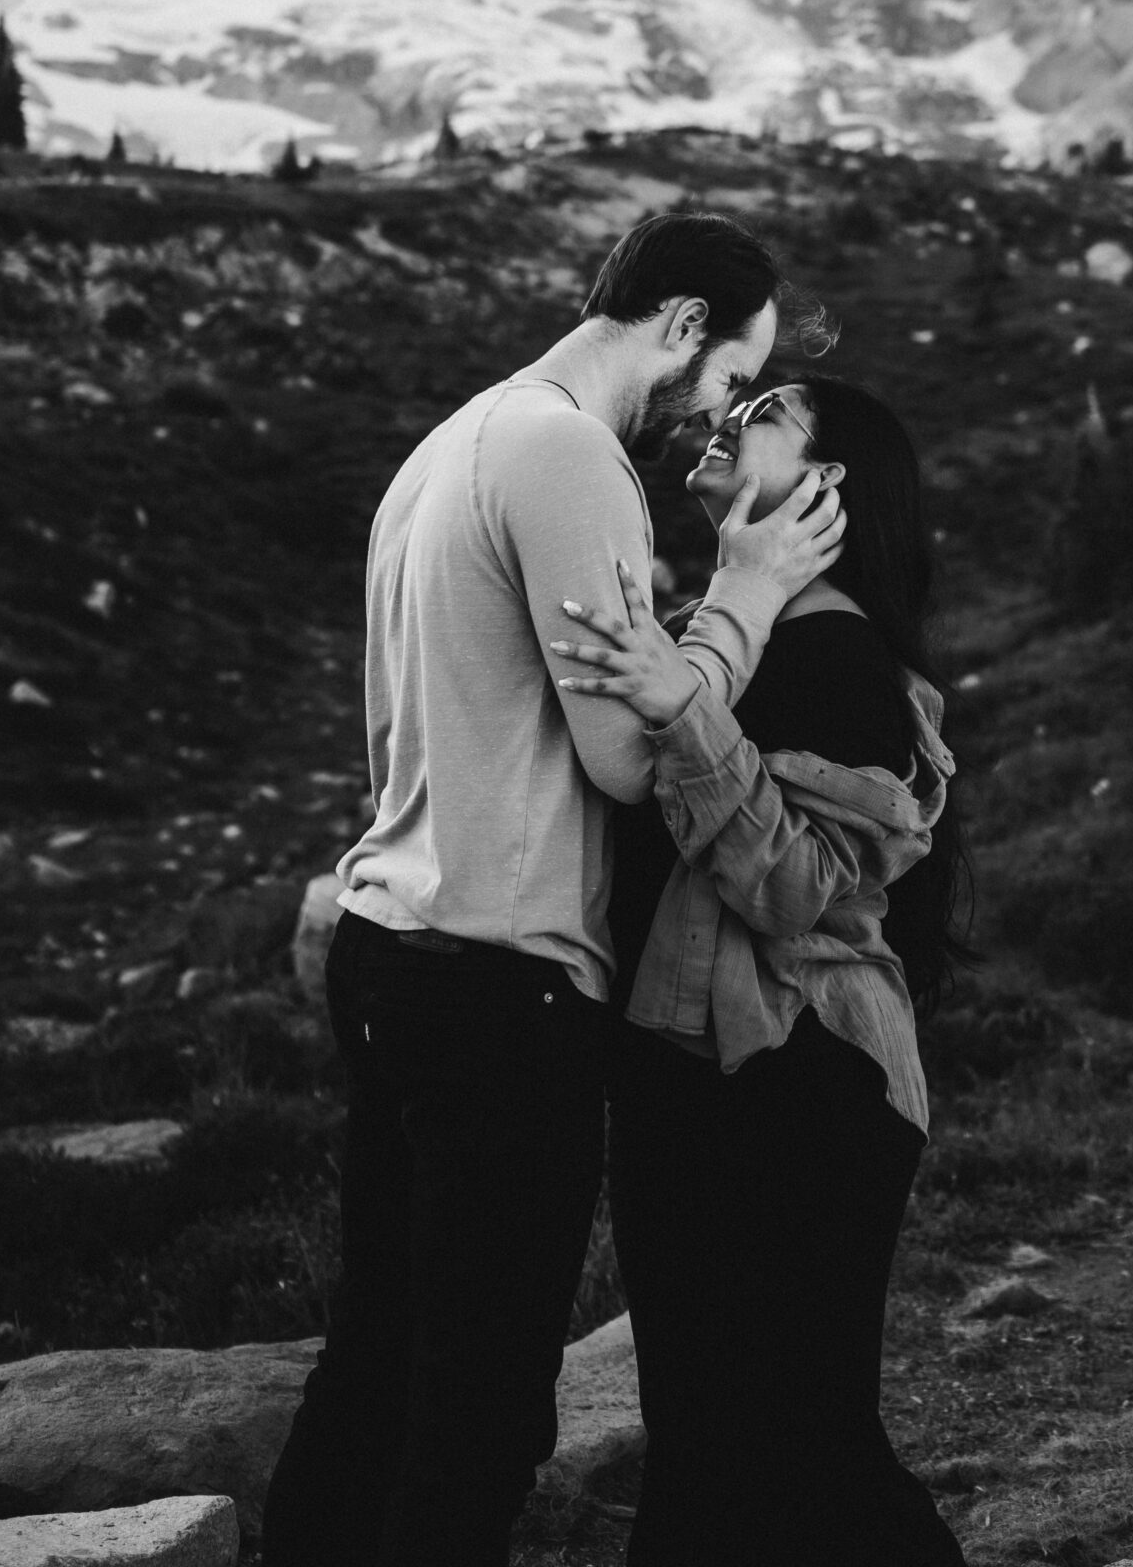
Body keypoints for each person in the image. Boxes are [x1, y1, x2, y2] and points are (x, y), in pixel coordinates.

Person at [260, 212, 844, 1567]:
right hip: (496, 982)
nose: (717, 407)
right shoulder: (568, 452)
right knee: (480, 1403)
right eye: (727, 372)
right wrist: (745, 595)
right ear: (684, 322)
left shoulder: (452, 442)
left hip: (392, 943)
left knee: (378, 1361)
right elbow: (631, 760)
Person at [553, 374, 969, 1567]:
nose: (722, 419)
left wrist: (686, 712)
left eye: (769, 410)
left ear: (827, 484)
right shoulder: (728, 631)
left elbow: (792, 890)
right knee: (699, 1438)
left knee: (800, 1437)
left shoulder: (838, 655)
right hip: (690, 1074)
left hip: (802, 1085)